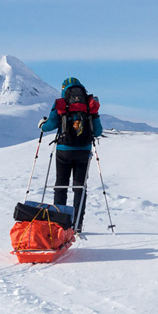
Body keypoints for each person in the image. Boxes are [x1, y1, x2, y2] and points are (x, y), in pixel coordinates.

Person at [38, 77, 103, 233]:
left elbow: (49, 126)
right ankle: (77, 225)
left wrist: (42, 124)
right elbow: (98, 131)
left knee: (61, 186)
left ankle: (58, 223)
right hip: (84, 151)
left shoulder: (61, 103)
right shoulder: (89, 104)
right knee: (79, 187)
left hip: (64, 151)